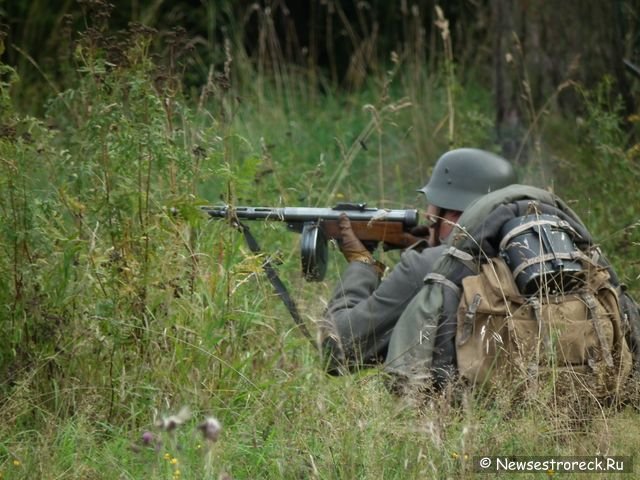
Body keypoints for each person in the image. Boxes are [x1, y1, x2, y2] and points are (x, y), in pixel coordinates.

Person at [319, 148, 517, 374]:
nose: (426, 214)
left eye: (433, 205)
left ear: (451, 216)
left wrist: (361, 264)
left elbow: (336, 349)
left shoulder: (429, 266)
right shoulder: (536, 256)